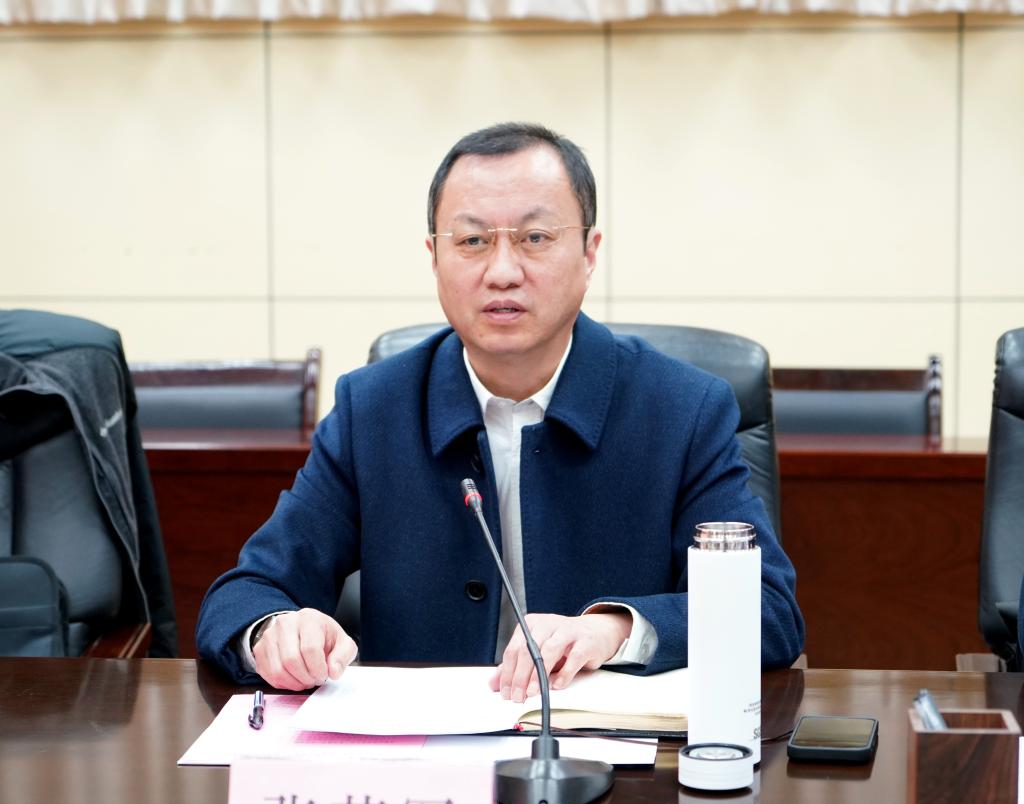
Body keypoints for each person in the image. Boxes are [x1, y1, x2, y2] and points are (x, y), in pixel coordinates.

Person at [196, 122, 803, 697]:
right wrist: (274, 631)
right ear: (435, 257)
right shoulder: (372, 411)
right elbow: (245, 593)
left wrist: (615, 630)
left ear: (590, 252)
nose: (503, 271)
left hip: (603, 752)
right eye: (472, 241)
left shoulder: (682, 409)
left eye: (536, 238)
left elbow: (768, 611)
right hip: (420, 750)